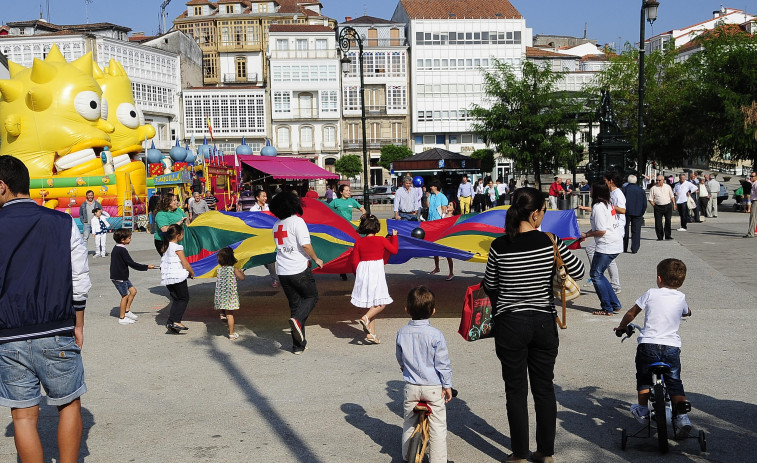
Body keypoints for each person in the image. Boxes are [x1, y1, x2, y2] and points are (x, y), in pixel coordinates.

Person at [482, 187, 584, 463]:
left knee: (515, 389)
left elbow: (490, 285)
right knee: (544, 388)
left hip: (510, 323)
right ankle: (545, 453)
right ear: (535, 213)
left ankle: (519, 454)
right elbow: (578, 272)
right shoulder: (551, 241)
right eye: (544, 210)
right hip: (543, 322)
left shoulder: (499, 246)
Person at [0, 155, 91, 463]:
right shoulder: (63, 222)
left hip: (8, 336)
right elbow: (79, 281)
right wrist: (78, 323)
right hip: (56, 329)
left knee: (23, 417)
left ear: (2, 187)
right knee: (68, 405)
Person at [614, 258, 693, 437]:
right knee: (674, 381)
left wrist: (621, 326)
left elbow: (632, 312)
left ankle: (642, 410)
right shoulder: (681, 298)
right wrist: (687, 311)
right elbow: (687, 311)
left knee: (643, 378)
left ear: (659, 279)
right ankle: (682, 417)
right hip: (671, 347)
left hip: (648, 345)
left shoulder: (651, 293)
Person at [396, 286, 453, 463]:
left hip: (411, 388)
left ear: (407, 309)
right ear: (433, 311)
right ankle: (439, 460)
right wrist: (447, 385)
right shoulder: (436, 335)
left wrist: (404, 368)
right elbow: (442, 363)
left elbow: (400, 357)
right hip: (433, 388)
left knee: (408, 423)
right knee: (438, 427)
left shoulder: (402, 332)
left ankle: (406, 456)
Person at [270, 191, 324, 354]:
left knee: (295, 306)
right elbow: (305, 245)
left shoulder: (276, 225)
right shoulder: (297, 222)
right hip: (299, 268)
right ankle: (298, 321)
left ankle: (298, 346)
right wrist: (316, 258)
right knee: (311, 297)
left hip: (283, 271)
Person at [351, 215, 399, 344]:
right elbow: (394, 250)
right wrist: (394, 237)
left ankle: (371, 334)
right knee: (381, 302)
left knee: (374, 303)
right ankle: (365, 318)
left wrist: (358, 276)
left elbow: (354, 261)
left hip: (363, 270)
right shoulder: (380, 240)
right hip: (376, 270)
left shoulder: (359, 242)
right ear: (376, 227)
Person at [580, 182, 623, 316]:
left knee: (595, 275)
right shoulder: (607, 204)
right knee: (599, 274)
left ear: (597, 192)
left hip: (607, 244)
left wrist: (587, 235)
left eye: (592, 188)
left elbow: (601, 230)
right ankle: (614, 304)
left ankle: (607, 307)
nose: (590, 191)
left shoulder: (598, 207)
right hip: (614, 242)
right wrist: (587, 234)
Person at [110, 228, 155, 325]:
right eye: (129, 238)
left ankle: (127, 311)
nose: (130, 239)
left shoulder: (119, 247)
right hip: (119, 277)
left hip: (122, 276)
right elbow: (132, 263)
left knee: (133, 291)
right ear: (122, 239)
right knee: (124, 296)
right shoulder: (121, 250)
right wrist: (147, 267)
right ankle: (122, 318)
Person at [160, 224, 194, 334]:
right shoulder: (177, 247)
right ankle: (176, 320)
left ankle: (171, 322)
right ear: (178, 235)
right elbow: (185, 263)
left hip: (168, 277)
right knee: (184, 298)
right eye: (182, 234)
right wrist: (191, 272)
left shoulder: (165, 247)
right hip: (177, 276)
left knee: (176, 299)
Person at [249, 189, 279, 287]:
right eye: (263, 196)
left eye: (266, 196)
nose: (265, 198)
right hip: (259, 237)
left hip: (269, 236)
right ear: (257, 197)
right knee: (264, 258)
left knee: (270, 259)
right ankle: (266, 263)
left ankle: (275, 280)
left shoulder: (269, 207)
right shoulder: (253, 209)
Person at [215, 247, 246, 340]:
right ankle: (232, 334)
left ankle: (222, 313)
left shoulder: (219, 270)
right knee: (230, 315)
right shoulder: (234, 269)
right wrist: (241, 272)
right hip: (229, 296)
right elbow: (242, 278)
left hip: (221, 295)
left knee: (224, 309)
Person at [427, 181, 454, 281]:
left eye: (432, 185)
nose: (431, 187)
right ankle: (437, 267)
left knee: (446, 250)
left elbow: (444, 210)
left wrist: (442, 221)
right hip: (431, 222)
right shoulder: (431, 195)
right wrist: (427, 197)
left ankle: (451, 272)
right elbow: (428, 206)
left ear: (436, 187)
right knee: (434, 247)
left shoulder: (442, 196)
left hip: (439, 224)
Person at [622, 174, 647, 253]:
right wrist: (642, 212)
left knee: (625, 230)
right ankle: (635, 248)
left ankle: (624, 247)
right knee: (636, 231)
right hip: (638, 212)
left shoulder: (625, 189)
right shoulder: (641, 190)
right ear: (636, 181)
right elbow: (644, 203)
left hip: (626, 212)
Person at [648, 175, 676, 241]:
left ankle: (668, 235)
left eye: (659, 180)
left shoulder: (668, 187)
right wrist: (654, 206)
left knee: (668, 221)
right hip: (658, 206)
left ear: (663, 180)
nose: (658, 181)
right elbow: (650, 199)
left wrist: (674, 204)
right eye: (657, 180)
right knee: (658, 222)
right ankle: (660, 236)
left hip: (668, 205)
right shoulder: (653, 188)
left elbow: (672, 196)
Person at [78, 189, 102, 254]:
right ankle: (84, 251)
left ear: (93, 196)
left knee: (98, 237)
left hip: (96, 223)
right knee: (85, 238)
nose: (90, 196)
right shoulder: (83, 204)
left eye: (91, 195)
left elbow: (101, 212)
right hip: (87, 223)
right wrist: (83, 222)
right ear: (86, 196)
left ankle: (100, 251)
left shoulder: (97, 204)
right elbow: (81, 214)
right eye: (89, 195)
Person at [744, 172, 757, 238]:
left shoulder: (756, 184)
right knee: (754, 217)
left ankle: (751, 233)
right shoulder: (753, 183)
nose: (751, 177)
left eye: (752, 176)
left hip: (756, 201)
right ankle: (752, 232)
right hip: (754, 201)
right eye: (750, 176)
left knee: (753, 217)